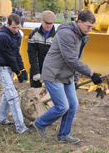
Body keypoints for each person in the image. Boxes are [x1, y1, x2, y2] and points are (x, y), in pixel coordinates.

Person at [32, 9, 103, 144]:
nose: (89, 29)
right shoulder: (66, 33)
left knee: (73, 105)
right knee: (62, 106)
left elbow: (76, 59)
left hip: (67, 75)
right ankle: (40, 124)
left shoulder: (83, 36)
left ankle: (64, 135)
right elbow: (71, 59)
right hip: (53, 73)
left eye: (91, 27)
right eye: (88, 26)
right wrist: (91, 73)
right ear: (79, 22)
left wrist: (75, 80)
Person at [0, 13, 32, 134]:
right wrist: (18, 72)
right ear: (7, 24)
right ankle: (20, 127)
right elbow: (9, 56)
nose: (16, 30)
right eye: (13, 28)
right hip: (2, 68)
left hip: (9, 67)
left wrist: (23, 69)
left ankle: (1, 119)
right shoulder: (2, 37)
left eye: (18, 27)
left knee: (7, 93)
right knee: (13, 96)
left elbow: (16, 54)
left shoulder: (17, 35)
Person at [27, 10, 56, 88]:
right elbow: (32, 54)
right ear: (41, 21)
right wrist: (36, 72)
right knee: (35, 93)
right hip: (37, 67)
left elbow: (57, 56)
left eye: (51, 23)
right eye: (46, 23)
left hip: (52, 70)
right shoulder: (34, 34)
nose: (49, 26)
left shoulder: (57, 36)